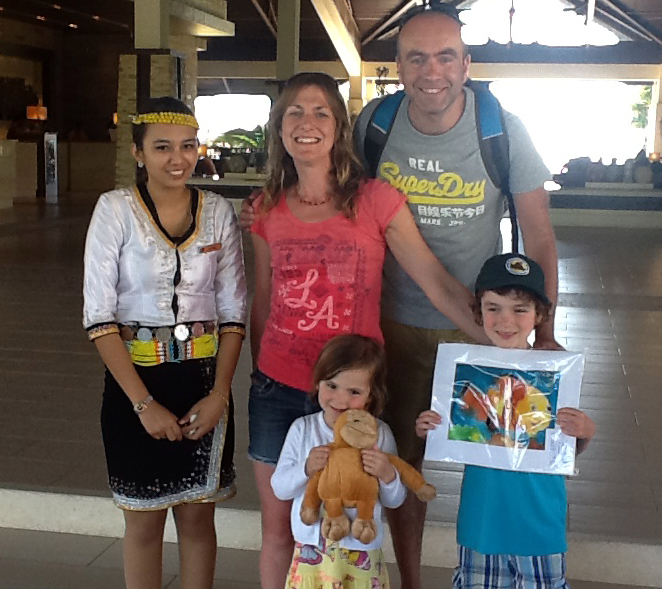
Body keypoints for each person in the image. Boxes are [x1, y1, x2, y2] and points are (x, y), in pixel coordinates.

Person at [248, 72, 486, 589]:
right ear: (279, 128)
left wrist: (503, 342)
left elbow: (436, 284)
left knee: (352, 523)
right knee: (281, 528)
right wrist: (255, 379)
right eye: (293, 112)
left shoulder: (376, 201)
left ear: (339, 127)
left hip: (352, 398)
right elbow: (262, 304)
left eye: (320, 113)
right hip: (277, 389)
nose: (306, 124)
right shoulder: (266, 208)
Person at [350, 6, 562, 587]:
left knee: (497, 463)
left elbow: (540, 235)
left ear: (467, 64)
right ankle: (414, 580)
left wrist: (540, 333)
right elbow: (334, 194)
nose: (432, 70)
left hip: (481, 327)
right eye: (416, 57)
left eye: (446, 56)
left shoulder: (500, 128)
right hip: (394, 324)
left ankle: (495, 573)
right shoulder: (375, 124)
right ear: (397, 67)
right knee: (400, 462)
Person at [82, 96, 247, 589]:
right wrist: (143, 404)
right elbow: (99, 316)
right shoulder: (114, 210)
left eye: (188, 145)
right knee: (145, 520)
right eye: (162, 147)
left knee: (198, 519)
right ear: (138, 153)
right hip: (136, 384)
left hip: (203, 383)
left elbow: (235, 311)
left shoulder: (217, 212)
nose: (178, 158)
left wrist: (220, 395)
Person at [415, 253, 595, 589]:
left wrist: (584, 431)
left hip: (538, 521)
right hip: (481, 520)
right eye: (493, 307)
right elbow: (457, 433)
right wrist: (431, 428)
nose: (504, 320)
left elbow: (565, 444)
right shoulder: (465, 372)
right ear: (479, 311)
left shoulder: (552, 372)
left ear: (539, 315)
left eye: (520, 309)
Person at [271, 334, 405, 589]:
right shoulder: (303, 429)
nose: (340, 400)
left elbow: (395, 500)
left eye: (354, 392)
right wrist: (306, 468)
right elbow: (280, 488)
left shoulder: (379, 433)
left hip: (362, 551)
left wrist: (387, 474)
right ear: (318, 382)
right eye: (331, 385)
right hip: (312, 551)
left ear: (371, 395)